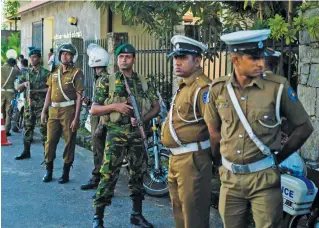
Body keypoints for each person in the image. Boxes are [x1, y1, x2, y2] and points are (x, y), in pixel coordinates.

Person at [204, 29, 314, 228]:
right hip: (229, 178)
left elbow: (304, 127)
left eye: (260, 57)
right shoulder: (218, 89)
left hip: (264, 179)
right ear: (235, 59)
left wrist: (278, 158)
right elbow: (214, 132)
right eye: (253, 58)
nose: (260, 63)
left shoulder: (277, 87)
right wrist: (218, 163)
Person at [91, 43, 160, 228]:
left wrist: (141, 119)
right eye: (121, 57)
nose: (124, 60)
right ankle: (98, 217)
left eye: (128, 57)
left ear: (134, 60)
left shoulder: (143, 81)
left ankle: (136, 215)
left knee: (138, 175)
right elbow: (94, 109)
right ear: (117, 59)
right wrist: (116, 107)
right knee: (108, 175)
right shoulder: (107, 81)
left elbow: (156, 107)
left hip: (137, 135)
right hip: (116, 135)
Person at [160, 35, 212, 228]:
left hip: (193, 160)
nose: (177, 62)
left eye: (182, 57)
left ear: (197, 61)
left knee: (194, 217)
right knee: (180, 214)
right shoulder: (185, 85)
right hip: (176, 159)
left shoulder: (202, 89)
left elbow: (215, 128)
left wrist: (211, 159)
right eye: (175, 58)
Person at [41, 43, 85, 184]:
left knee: (69, 141)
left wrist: (76, 117)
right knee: (50, 141)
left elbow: (79, 96)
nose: (64, 56)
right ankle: (49, 171)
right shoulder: (54, 71)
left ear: (72, 57)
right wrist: (44, 110)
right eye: (63, 53)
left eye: (68, 54)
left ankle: (65, 173)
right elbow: (49, 92)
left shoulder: (77, 73)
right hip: (53, 110)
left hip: (69, 111)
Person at [80, 44, 109, 190]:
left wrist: (100, 125)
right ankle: (99, 178)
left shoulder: (103, 80)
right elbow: (99, 103)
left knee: (99, 151)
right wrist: (89, 103)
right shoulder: (104, 78)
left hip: (100, 120)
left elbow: (106, 106)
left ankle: (99, 180)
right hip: (98, 118)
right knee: (99, 151)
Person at [15, 48, 50, 160]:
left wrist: (37, 91)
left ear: (39, 58)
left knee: (44, 129)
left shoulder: (46, 73)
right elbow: (17, 87)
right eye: (31, 57)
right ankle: (26, 152)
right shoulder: (26, 73)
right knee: (27, 128)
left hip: (41, 106)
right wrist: (24, 84)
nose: (32, 59)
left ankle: (47, 154)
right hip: (29, 105)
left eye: (35, 57)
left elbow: (50, 89)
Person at [1, 58, 21, 136]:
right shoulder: (14, 70)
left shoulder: (1, 68)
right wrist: (16, 66)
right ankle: (6, 131)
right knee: (8, 111)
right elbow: (20, 73)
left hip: (1, 92)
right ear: (13, 64)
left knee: (1, 111)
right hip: (10, 93)